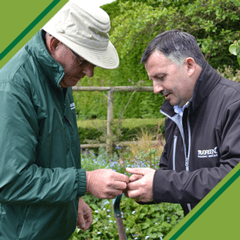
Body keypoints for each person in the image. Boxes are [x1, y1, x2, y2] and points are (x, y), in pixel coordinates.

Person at [0, 1, 128, 239]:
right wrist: (85, 182)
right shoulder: (13, 85)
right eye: (83, 60)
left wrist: (71, 199)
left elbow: (54, 153)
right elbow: (10, 181)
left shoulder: (59, 76)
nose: (89, 72)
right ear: (55, 43)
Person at [126, 30, 240, 216]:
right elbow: (170, 172)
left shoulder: (234, 103)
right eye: (152, 80)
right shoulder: (176, 113)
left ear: (189, 66)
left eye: (160, 77)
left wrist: (160, 184)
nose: (156, 89)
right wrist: (139, 185)